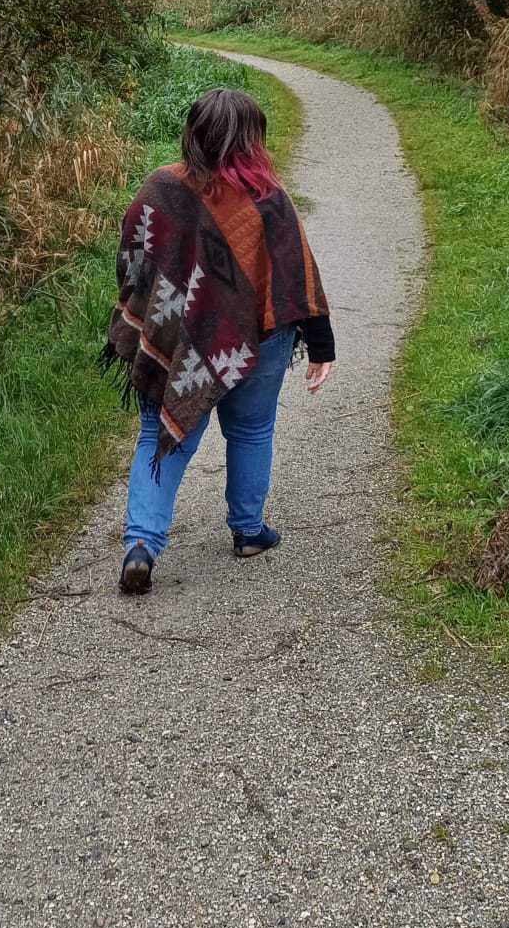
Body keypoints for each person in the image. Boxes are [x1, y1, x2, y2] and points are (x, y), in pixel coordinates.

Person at [100, 85, 335, 594]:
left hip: (178, 340)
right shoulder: (270, 199)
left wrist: (149, 316)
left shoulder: (160, 189)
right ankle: (249, 532)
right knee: (251, 432)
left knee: (160, 434)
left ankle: (141, 545)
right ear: (253, 140)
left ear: (194, 134)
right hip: (259, 342)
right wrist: (322, 347)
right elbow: (297, 276)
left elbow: (133, 260)